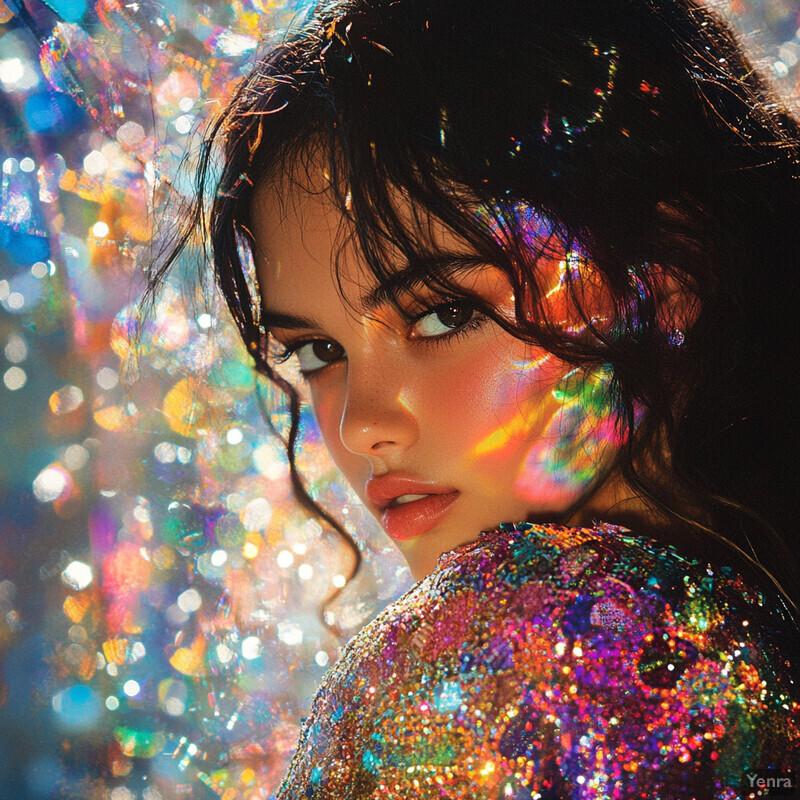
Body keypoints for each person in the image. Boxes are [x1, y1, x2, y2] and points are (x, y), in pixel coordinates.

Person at [149, 0, 800, 795]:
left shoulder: (498, 671)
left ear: (663, 287)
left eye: (441, 312)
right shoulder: (756, 634)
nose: (361, 426)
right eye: (318, 351)